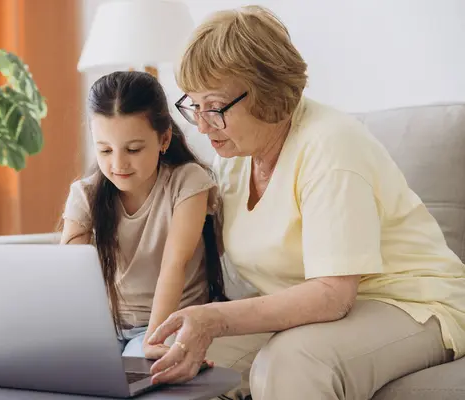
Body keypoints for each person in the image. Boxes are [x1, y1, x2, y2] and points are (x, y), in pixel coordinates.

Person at [146, 5, 465, 399]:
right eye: (194, 106)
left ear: (267, 93)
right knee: (167, 366)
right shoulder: (234, 155)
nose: (203, 124)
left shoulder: (330, 146)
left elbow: (333, 294)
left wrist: (215, 318)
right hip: (310, 311)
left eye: (215, 107)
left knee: (292, 362)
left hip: (410, 303)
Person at [60, 71, 227, 360]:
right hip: (105, 327)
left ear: (163, 139)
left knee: (138, 368)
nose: (118, 163)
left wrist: (153, 339)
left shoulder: (188, 182)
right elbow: (70, 278)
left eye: (133, 149)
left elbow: (174, 264)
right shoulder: (85, 194)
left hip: (168, 321)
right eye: (105, 150)